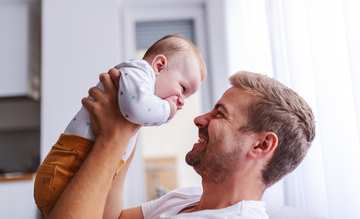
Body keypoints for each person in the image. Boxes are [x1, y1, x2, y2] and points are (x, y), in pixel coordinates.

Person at [48, 69, 315, 219]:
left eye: (219, 114)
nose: (199, 119)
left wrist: (112, 138)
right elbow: (112, 218)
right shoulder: (188, 199)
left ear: (261, 145)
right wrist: (131, 121)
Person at [34, 34, 207, 218]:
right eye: (183, 89)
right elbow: (136, 106)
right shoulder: (138, 72)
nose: (181, 102)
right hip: (67, 168)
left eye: (186, 98)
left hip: (77, 176)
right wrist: (167, 110)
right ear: (159, 66)